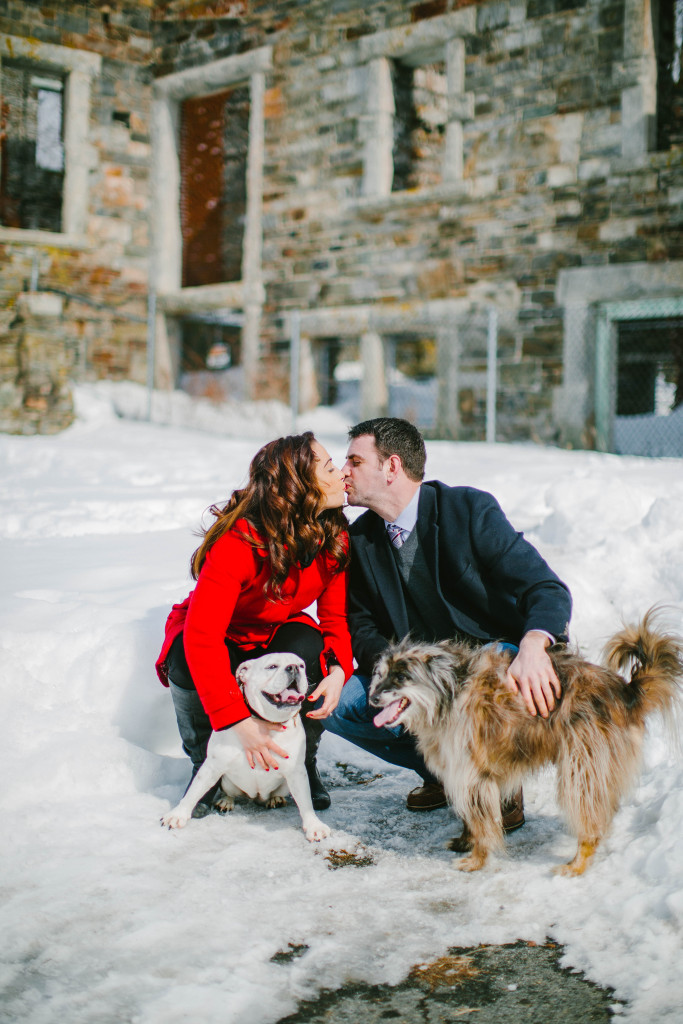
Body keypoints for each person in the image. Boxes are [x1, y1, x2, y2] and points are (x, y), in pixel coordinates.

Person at [324, 417, 572, 844]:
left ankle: (502, 783)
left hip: (490, 667)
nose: (343, 471)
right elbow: (359, 622)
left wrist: (534, 644)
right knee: (341, 704)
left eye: (354, 461)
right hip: (425, 681)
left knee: (492, 667)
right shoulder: (361, 539)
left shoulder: (468, 511)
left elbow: (543, 586)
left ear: (391, 467)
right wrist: (394, 671)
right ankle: (441, 771)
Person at [155, 432, 353, 814]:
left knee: (311, 650)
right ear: (300, 485)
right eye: (329, 467)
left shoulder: (333, 534)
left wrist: (340, 669)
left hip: (274, 629)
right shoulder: (238, 543)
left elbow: (334, 616)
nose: (342, 474)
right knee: (183, 657)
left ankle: (302, 762)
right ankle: (203, 766)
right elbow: (202, 637)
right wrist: (237, 722)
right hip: (220, 633)